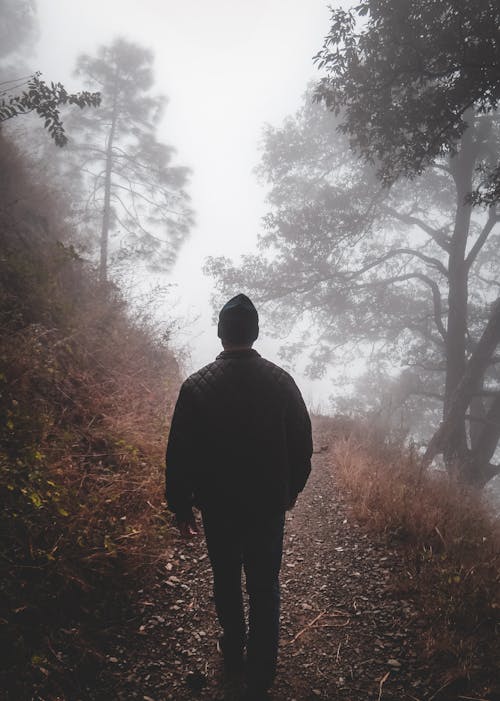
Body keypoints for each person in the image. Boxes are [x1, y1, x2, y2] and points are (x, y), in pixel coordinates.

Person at [165, 293, 313, 701]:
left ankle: (233, 655)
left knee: (226, 578)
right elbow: (302, 445)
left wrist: (180, 505)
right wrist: (290, 491)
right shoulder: (282, 382)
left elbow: (180, 451)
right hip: (266, 506)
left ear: (220, 332)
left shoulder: (195, 386)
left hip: (219, 506)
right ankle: (261, 674)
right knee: (265, 585)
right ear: (256, 332)